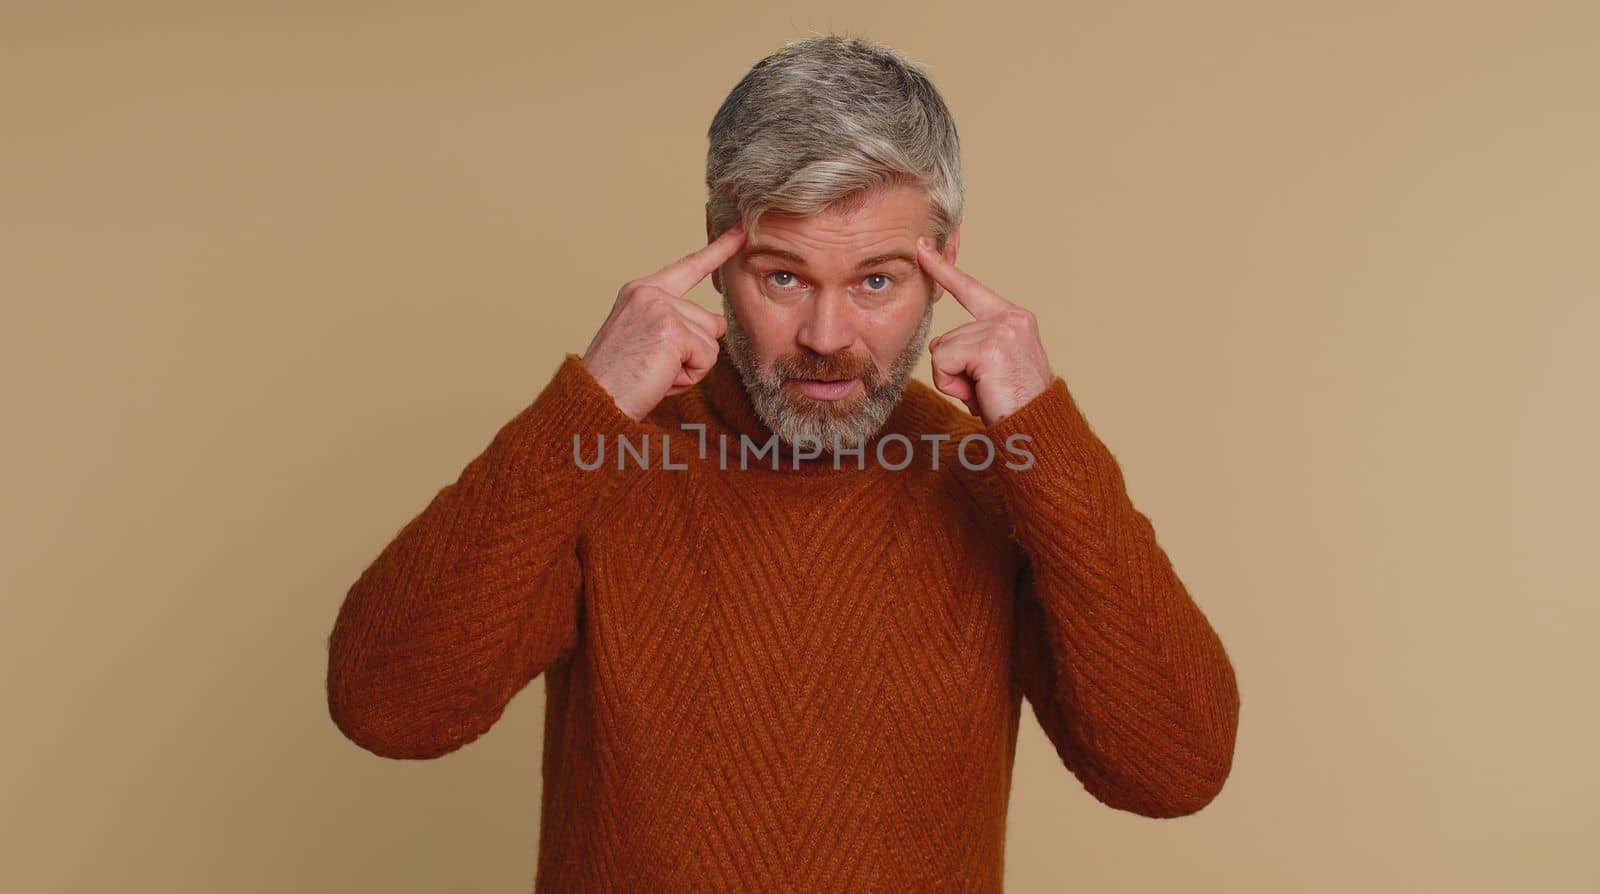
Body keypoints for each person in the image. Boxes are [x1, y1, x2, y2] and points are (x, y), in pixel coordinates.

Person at [325, 33, 1240, 892]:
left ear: (946, 263)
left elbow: (1174, 770)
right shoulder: (604, 454)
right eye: (784, 276)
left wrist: (1048, 436)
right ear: (718, 253)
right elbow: (387, 708)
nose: (827, 337)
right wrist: (589, 401)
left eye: (877, 280)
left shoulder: (1000, 479)